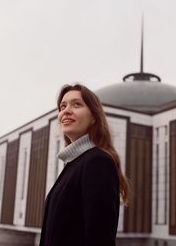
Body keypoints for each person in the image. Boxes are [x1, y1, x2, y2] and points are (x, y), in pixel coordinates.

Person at [39, 84, 129, 246]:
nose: (66, 110)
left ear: (94, 117)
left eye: (77, 104)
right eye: (63, 106)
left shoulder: (97, 162)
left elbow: (100, 240)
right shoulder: (73, 163)